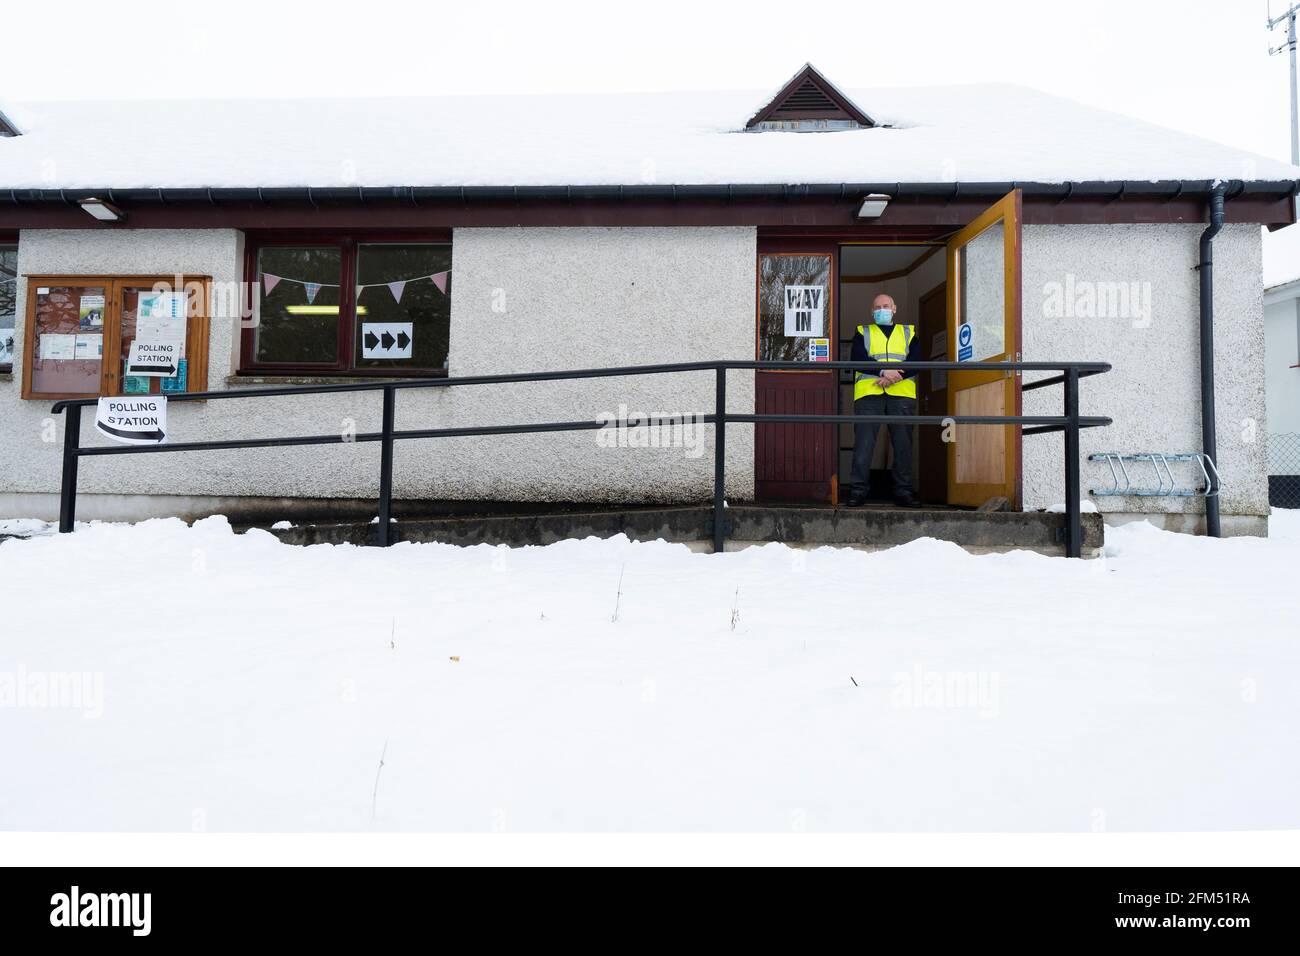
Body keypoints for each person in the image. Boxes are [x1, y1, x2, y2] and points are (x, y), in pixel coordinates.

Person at [848, 293, 922, 508]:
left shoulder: (909, 332)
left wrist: (892, 376)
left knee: (903, 445)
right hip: (869, 394)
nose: (882, 310)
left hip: (902, 396)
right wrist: (883, 371)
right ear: (872, 311)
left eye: (886, 306)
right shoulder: (863, 332)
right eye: (878, 307)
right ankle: (858, 491)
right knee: (863, 445)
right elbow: (858, 360)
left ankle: (904, 492)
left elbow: (916, 361)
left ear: (894, 308)